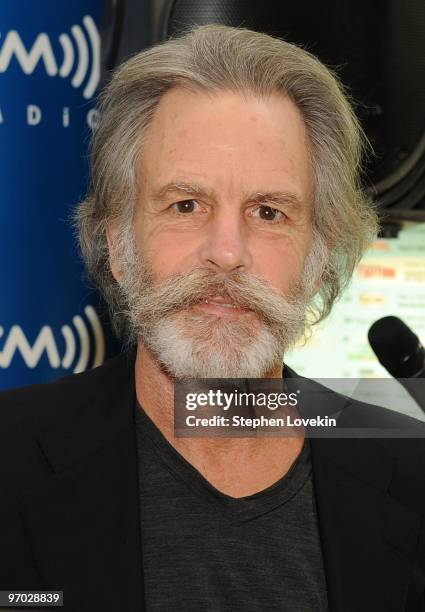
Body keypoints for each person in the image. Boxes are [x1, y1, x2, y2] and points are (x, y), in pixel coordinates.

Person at [1, 24, 425, 612]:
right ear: (120, 245)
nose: (227, 252)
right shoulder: (10, 456)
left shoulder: (411, 470)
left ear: (319, 255)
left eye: (270, 211)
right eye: (186, 205)